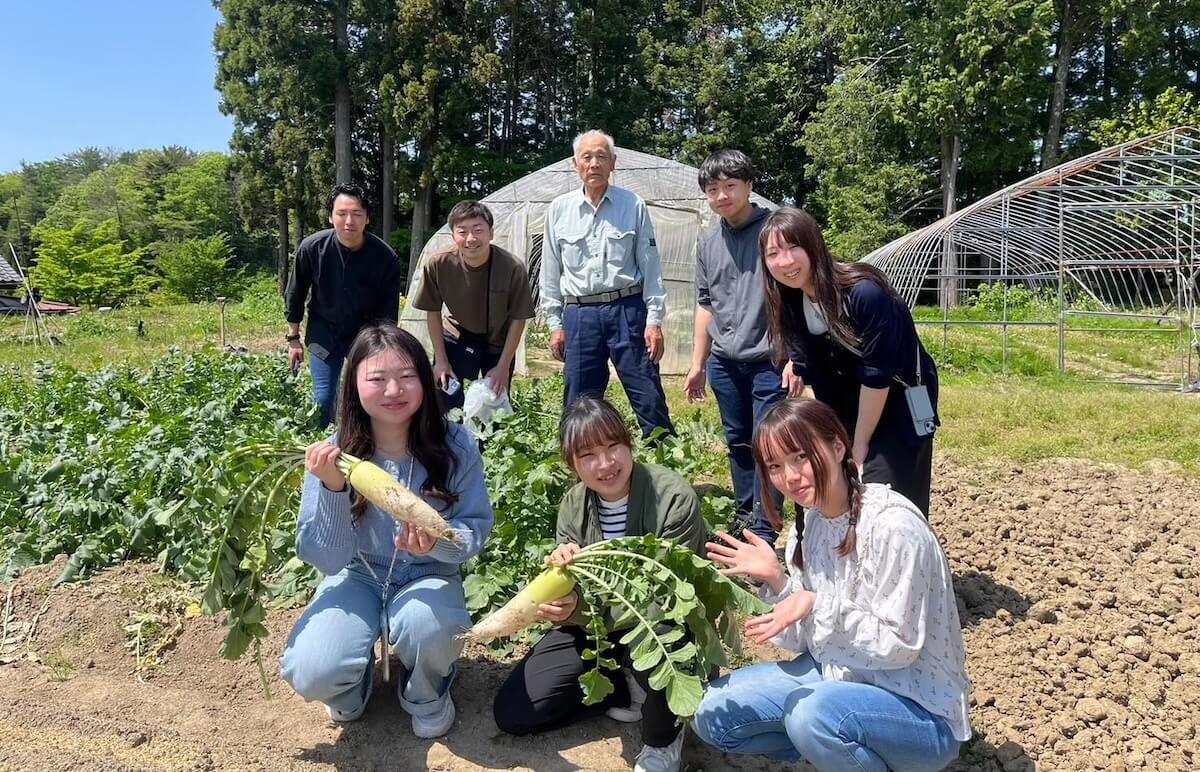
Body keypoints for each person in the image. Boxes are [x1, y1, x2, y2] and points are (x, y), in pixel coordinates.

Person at [691, 399, 971, 771]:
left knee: (811, 715)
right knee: (713, 712)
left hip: (919, 710)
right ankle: (842, 754)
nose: (789, 477)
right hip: (841, 679)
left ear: (838, 447)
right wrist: (777, 580)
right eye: (775, 466)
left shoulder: (893, 527)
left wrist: (815, 603)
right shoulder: (810, 529)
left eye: (801, 457)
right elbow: (807, 642)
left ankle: (850, 749)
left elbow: (898, 647)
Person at [279, 323, 493, 738]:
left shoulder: (456, 446)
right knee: (312, 669)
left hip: (428, 573)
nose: (394, 390)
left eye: (407, 376)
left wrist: (439, 543)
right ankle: (350, 682)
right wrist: (331, 488)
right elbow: (326, 558)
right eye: (377, 379)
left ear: (425, 380)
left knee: (429, 629)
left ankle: (426, 690)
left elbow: (475, 528)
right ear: (354, 385)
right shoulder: (333, 454)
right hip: (356, 573)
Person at [493, 395, 704, 772]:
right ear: (571, 464)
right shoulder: (574, 504)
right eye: (588, 455)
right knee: (514, 713)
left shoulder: (673, 497)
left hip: (660, 627)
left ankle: (663, 739)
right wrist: (565, 601)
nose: (605, 464)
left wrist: (583, 608)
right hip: (596, 627)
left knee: (651, 638)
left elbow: (665, 596)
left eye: (613, 447)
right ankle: (620, 684)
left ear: (629, 444)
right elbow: (572, 592)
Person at [760, 207, 939, 516]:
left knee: (888, 492)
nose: (785, 261)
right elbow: (814, 375)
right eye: (773, 253)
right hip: (845, 402)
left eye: (793, 247)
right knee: (844, 488)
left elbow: (877, 377)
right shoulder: (790, 302)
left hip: (900, 401)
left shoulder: (864, 294)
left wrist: (859, 445)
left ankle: (907, 555)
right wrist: (834, 436)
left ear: (814, 244)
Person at [540, 130, 674, 439]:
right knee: (580, 401)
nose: (594, 163)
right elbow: (550, 271)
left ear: (613, 163)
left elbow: (650, 266)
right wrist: (554, 323)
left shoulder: (633, 205)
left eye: (602, 156)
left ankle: (664, 463)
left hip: (627, 309)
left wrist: (654, 320)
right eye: (587, 157)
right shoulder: (559, 210)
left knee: (646, 390)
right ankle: (581, 465)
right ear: (576, 165)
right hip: (580, 314)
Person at [683, 149, 786, 543]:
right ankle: (747, 515)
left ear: (749, 186)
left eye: (730, 186)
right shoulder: (709, 243)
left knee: (770, 441)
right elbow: (706, 305)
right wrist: (699, 363)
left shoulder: (774, 233)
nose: (722, 195)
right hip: (725, 361)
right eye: (713, 189)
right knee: (739, 441)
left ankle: (766, 525)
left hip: (769, 360)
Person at [285, 183, 403, 427]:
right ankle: (324, 450)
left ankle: (362, 448)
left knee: (364, 400)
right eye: (342, 213)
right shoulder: (311, 249)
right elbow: (295, 293)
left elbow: (389, 313)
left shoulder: (385, 257)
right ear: (330, 216)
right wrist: (293, 339)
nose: (349, 221)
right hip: (323, 333)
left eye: (357, 214)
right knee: (323, 400)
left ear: (367, 218)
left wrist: (385, 348)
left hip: (366, 336)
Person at [411, 200, 536, 411]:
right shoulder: (439, 263)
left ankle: (487, 444)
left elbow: (518, 318)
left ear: (491, 233)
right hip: (457, 338)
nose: (471, 239)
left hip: (498, 343)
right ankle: (447, 443)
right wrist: (441, 361)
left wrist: (503, 366)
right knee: (447, 407)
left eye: (478, 230)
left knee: (494, 408)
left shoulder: (512, 267)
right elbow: (432, 311)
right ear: (453, 236)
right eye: (462, 232)